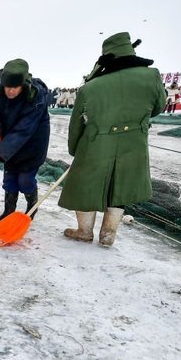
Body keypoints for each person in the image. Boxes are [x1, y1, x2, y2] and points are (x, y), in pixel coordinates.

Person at [59, 32, 166, 247]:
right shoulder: (151, 76)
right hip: (133, 141)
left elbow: (76, 124)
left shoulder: (90, 87)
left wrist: (75, 149)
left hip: (96, 142)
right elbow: (159, 106)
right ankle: (108, 234)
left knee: (85, 185)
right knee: (122, 185)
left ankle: (84, 231)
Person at [0, 59, 50, 222]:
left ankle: (31, 209)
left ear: (23, 85)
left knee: (25, 179)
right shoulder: (1, 94)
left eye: (14, 87)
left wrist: (0, 151)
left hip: (32, 144)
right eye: (7, 87)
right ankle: (8, 212)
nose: (10, 91)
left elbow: (24, 129)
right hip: (10, 144)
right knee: (9, 178)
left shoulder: (36, 96)